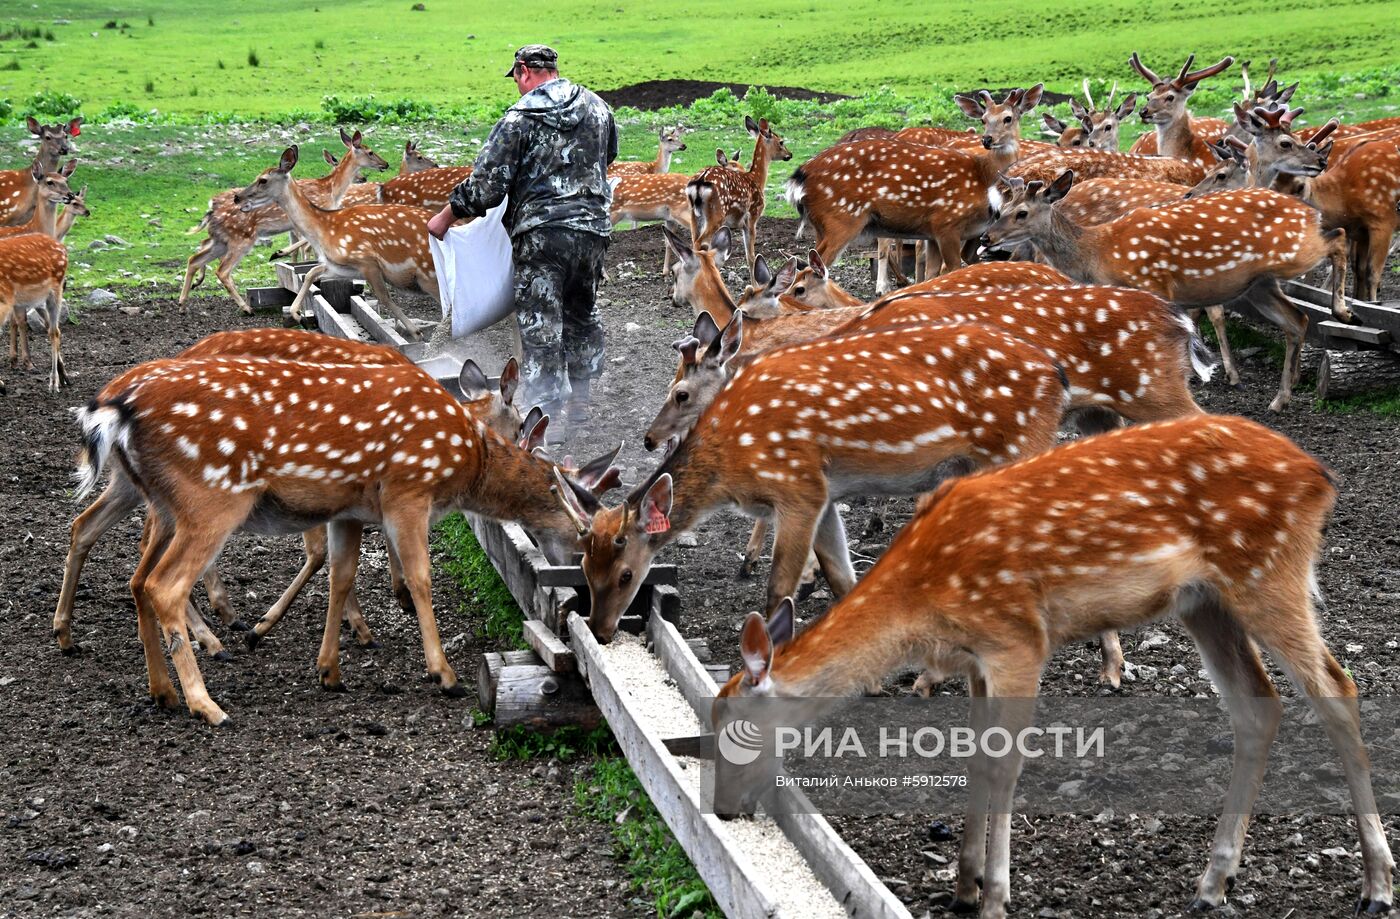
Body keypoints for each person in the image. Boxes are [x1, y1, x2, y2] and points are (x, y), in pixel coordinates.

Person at [428, 45, 617, 434]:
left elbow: (488, 184)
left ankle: (546, 420)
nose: (517, 85)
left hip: (542, 236)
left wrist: (446, 217)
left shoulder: (519, 118)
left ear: (524, 71)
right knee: (582, 313)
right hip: (593, 232)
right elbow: (606, 157)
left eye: (515, 77)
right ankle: (581, 407)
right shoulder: (599, 108)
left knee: (542, 325)